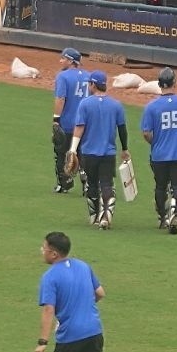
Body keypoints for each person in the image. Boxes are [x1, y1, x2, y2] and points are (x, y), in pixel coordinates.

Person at [67, 70, 130, 230]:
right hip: (108, 153)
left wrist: (73, 149)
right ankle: (106, 215)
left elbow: (79, 127)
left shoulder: (85, 104)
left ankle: (94, 216)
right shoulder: (116, 105)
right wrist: (125, 148)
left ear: (93, 85)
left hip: (89, 153)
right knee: (107, 184)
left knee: (92, 184)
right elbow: (122, 129)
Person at [140, 67, 177, 234]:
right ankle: (176, 214)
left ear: (159, 84)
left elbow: (146, 133)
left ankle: (163, 218)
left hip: (159, 154)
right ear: (174, 82)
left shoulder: (151, 107)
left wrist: (156, 142)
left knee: (160, 186)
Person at [51, 47, 89, 192]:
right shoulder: (89, 76)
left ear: (71, 61)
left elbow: (60, 99)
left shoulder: (63, 76)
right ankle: (87, 184)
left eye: (64, 58)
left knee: (61, 153)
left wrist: (56, 119)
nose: (61, 61)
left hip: (67, 123)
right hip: (85, 124)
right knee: (84, 154)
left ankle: (64, 183)